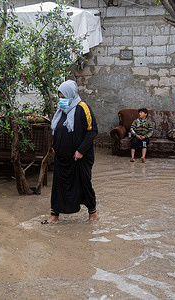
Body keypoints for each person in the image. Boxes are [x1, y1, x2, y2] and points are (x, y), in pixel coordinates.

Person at [41, 80, 99, 224]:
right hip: (62, 157)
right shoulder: (61, 111)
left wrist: (80, 151)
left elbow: (92, 131)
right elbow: (57, 129)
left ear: (71, 95)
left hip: (80, 157)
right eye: (59, 97)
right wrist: (55, 145)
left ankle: (93, 213)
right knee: (58, 185)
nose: (61, 101)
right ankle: (54, 215)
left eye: (64, 97)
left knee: (84, 183)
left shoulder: (83, 108)